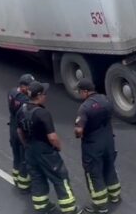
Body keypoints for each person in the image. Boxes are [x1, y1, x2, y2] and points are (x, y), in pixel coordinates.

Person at [17, 81, 82, 214]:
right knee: (60, 177)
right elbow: (52, 137)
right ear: (39, 96)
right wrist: (57, 147)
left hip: (30, 150)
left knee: (37, 178)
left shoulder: (21, 110)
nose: (46, 96)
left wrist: (26, 145)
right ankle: (70, 209)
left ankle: (41, 207)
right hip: (45, 152)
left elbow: (19, 132)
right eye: (44, 94)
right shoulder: (42, 114)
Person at [74, 80, 121, 214]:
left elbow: (79, 130)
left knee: (94, 173)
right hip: (108, 141)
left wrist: (78, 134)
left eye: (80, 92)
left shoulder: (85, 108)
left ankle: (100, 206)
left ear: (85, 91)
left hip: (93, 145)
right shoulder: (105, 100)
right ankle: (115, 195)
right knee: (109, 167)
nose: (79, 95)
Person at [8, 73, 34, 193]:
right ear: (23, 86)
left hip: (12, 127)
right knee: (24, 157)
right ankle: (24, 185)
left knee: (16, 156)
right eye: (29, 86)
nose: (31, 88)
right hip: (20, 130)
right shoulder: (25, 100)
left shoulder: (12, 92)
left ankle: (16, 178)